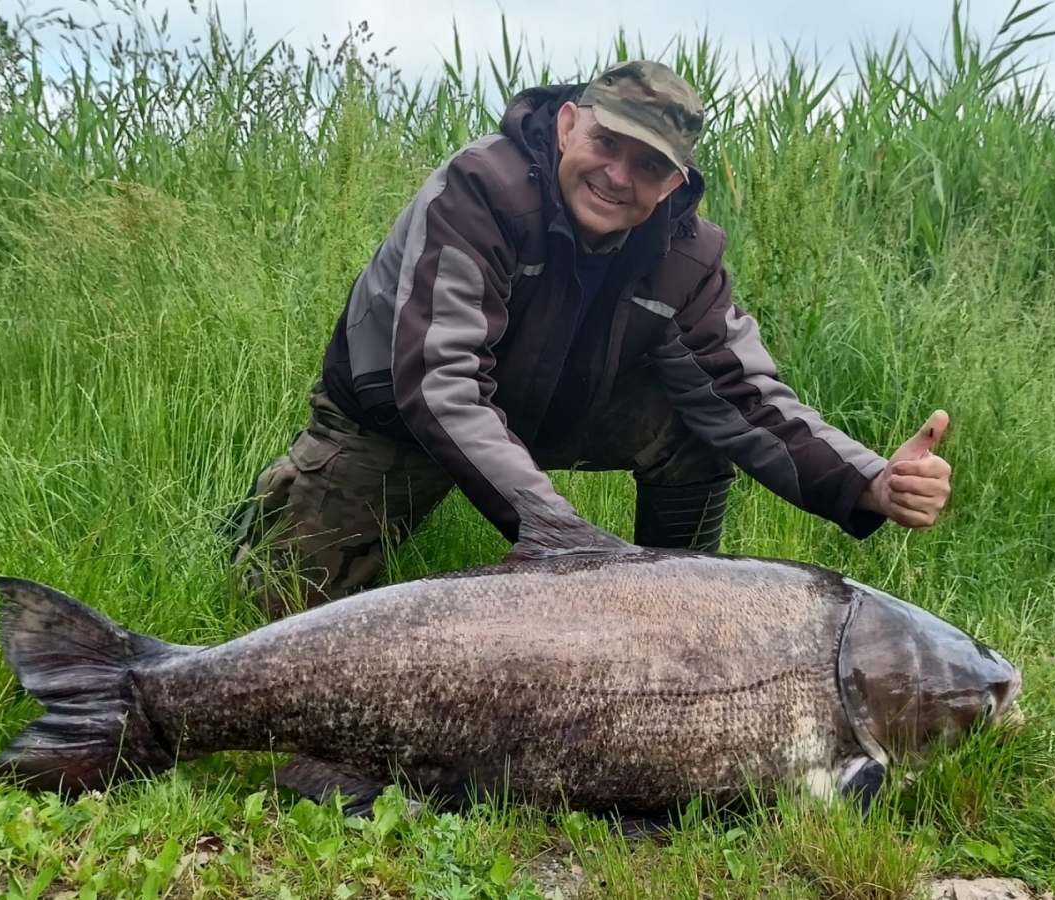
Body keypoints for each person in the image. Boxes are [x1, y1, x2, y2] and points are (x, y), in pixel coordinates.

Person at [227, 59, 952, 620]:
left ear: (674, 183)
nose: (618, 176)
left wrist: (870, 481)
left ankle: (667, 613)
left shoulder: (686, 255)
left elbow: (746, 397)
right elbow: (440, 386)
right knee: (272, 607)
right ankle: (277, 503)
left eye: (649, 166)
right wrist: (565, 542)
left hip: (551, 409)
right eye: (608, 143)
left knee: (696, 425)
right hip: (397, 420)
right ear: (570, 123)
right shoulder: (480, 192)